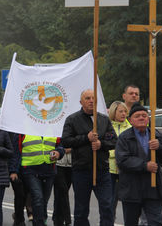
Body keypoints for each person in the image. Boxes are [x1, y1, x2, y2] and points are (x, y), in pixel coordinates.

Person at [61, 89, 117, 226]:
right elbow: (66, 141)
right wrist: (86, 138)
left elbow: (114, 140)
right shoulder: (72, 119)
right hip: (81, 170)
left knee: (107, 206)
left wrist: (101, 144)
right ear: (81, 102)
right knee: (81, 209)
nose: (91, 100)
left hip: (102, 170)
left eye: (93, 98)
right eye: (87, 98)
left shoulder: (104, 120)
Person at [116, 103, 162, 226]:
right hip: (131, 190)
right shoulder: (124, 138)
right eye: (137, 116)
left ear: (148, 119)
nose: (142, 118)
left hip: (153, 189)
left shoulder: (156, 135)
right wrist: (144, 165)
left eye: (144, 115)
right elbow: (122, 160)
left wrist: (160, 147)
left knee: (155, 222)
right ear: (130, 120)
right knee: (131, 222)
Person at [11, 133, 64, 226]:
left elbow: (60, 145)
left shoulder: (52, 127)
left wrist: (58, 152)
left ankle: (40, 221)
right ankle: (39, 223)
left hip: (49, 170)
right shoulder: (23, 129)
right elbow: (16, 151)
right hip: (30, 170)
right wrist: (13, 170)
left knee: (43, 201)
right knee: (38, 198)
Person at [108, 101, 132, 220]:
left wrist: (122, 157)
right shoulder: (107, 127)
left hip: (126, 171)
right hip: (110, 171)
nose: (123, 114)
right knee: (110, 203)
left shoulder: (131, 128)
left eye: (125, 111)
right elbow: (103, 148)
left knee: (129, 203)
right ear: (113, 112)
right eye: (120, 111)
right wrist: (116, 155)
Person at [53, 142, 72, 226]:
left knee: (60, 195)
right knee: (62, 191)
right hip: (58, 164)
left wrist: (71, 149)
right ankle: (67, 220)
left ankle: (57, 219)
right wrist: (61, 151)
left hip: (71, 165)